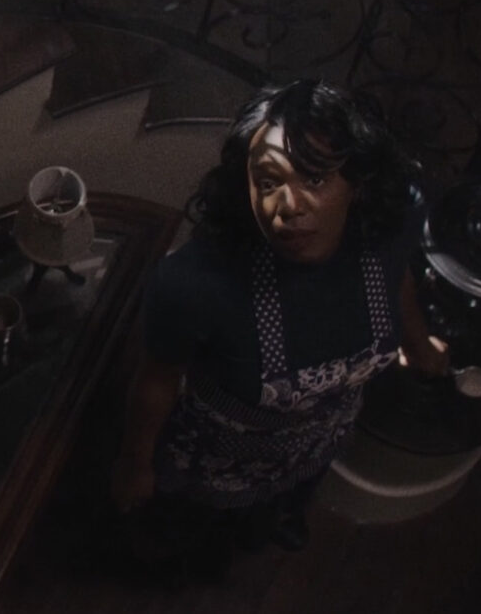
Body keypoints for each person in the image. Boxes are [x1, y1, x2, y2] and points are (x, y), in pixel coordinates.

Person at [109, 79, 449, 578]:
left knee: (273, 517)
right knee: (179, 535)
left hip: (317, 444)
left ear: (355, 182)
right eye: (268, 182)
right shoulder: (193, 283)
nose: (287, 206)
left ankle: (277, 520)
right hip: (212, 463)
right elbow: (156, 379)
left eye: (314, 179)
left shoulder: (389, 230)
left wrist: (417, 346)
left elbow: (399, 282)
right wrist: (135, 466)